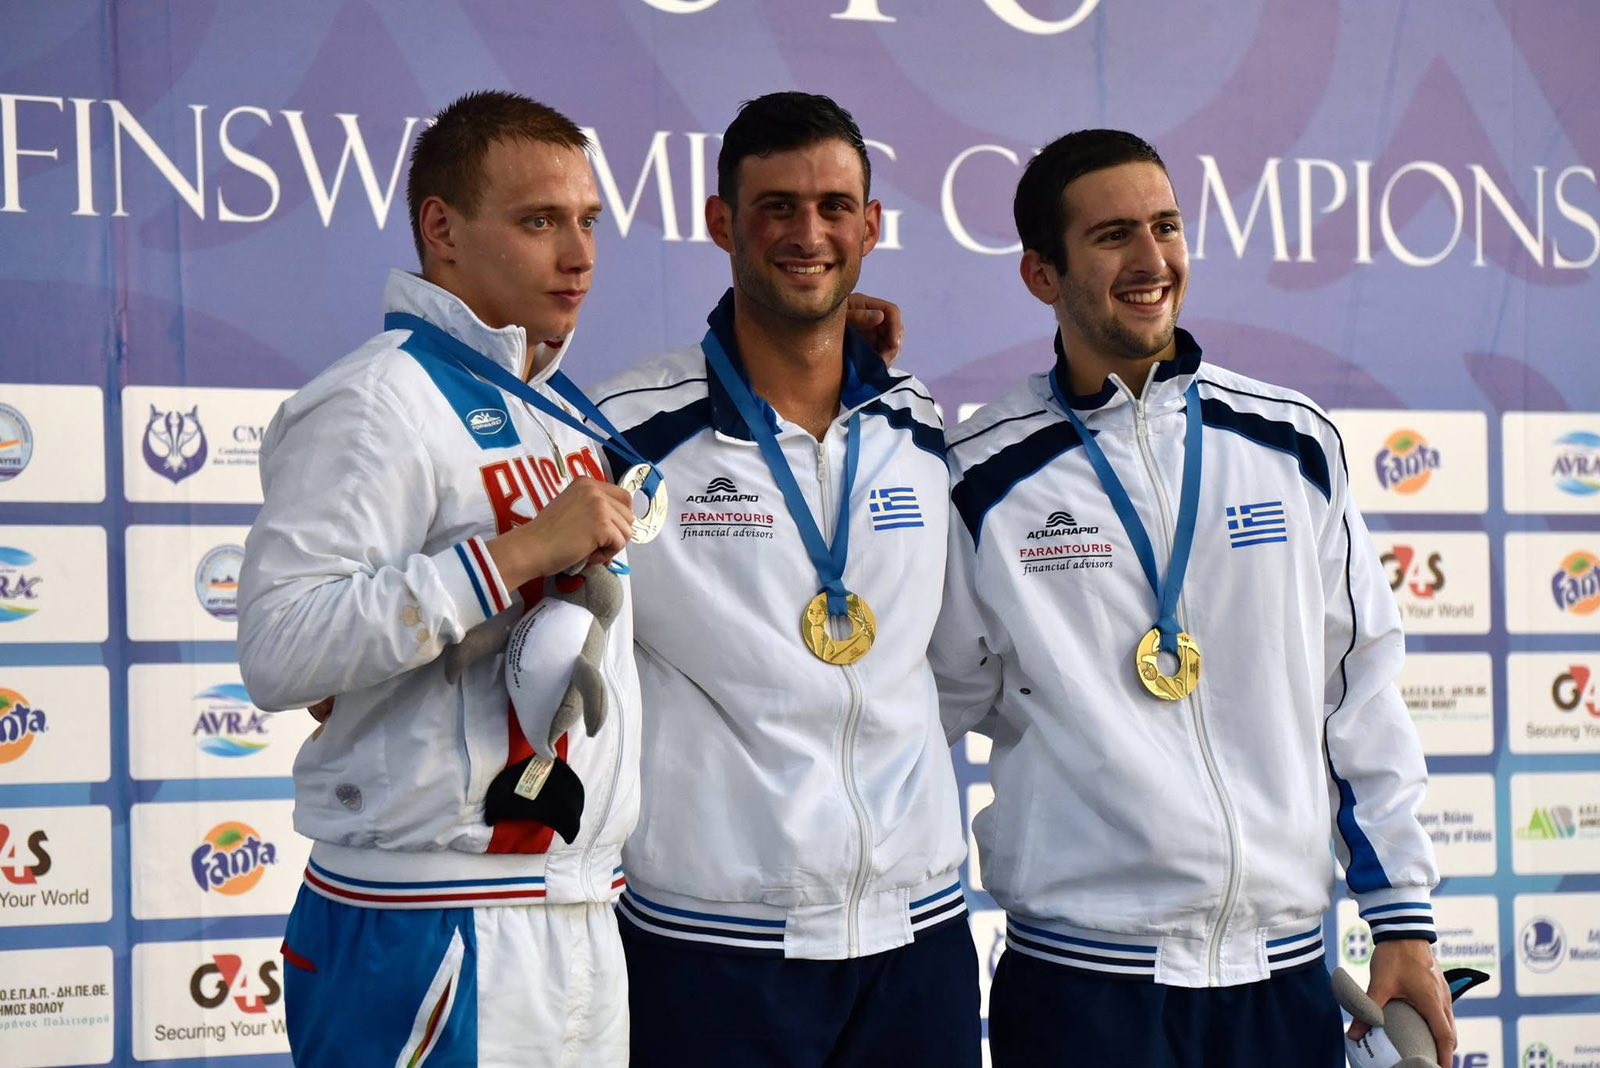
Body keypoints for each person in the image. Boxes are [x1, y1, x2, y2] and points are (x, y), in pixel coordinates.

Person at [931, 129, 1454, 1067]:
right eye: (1113, 236)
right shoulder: (979, 477)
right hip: (1083, 988)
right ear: (1042, 274)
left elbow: (1356, 694)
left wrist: (1403, 919)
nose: (1151, 260)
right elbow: (919, 715)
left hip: (1281, 983)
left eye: (1166, 226)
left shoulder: (1292, 443)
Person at [237, 90, 644, 1067]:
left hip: (581, 912)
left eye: (588, 221)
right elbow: (279, 647)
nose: (578, 256)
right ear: (442, 229)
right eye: (539, 222)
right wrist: (517, 554)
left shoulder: (562, 411)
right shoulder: (376, 399)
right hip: (427, 918)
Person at [595, 92, 980, 1068]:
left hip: (918, 935)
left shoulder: (918, 422)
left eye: (833, 206)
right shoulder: (624, 432)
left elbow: (952, 662)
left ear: (870, 226)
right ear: (722, 223)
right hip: (711, 940)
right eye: (776, 208)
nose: (808, 234)